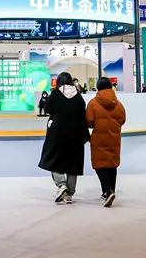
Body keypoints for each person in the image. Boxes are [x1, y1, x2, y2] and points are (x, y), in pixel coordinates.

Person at [39, 72, 89, 204]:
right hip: (76, 134)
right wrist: (85, 135)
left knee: (53, 158)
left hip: (57, 133)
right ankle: (69, 193)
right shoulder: (78, 96)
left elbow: (47, 108)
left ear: (59, 81)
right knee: (73, 163)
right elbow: (83, 116)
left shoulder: (55, 94)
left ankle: (61, 185)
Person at [86, 77, 127, 207]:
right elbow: (123, 119)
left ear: (98, 87)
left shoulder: (93, 103)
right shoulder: (118, 104)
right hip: (114, 138)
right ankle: (111, 191)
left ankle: (107, 191)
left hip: (99, 138)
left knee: (100, 165)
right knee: (112, 164)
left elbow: (89, 122)